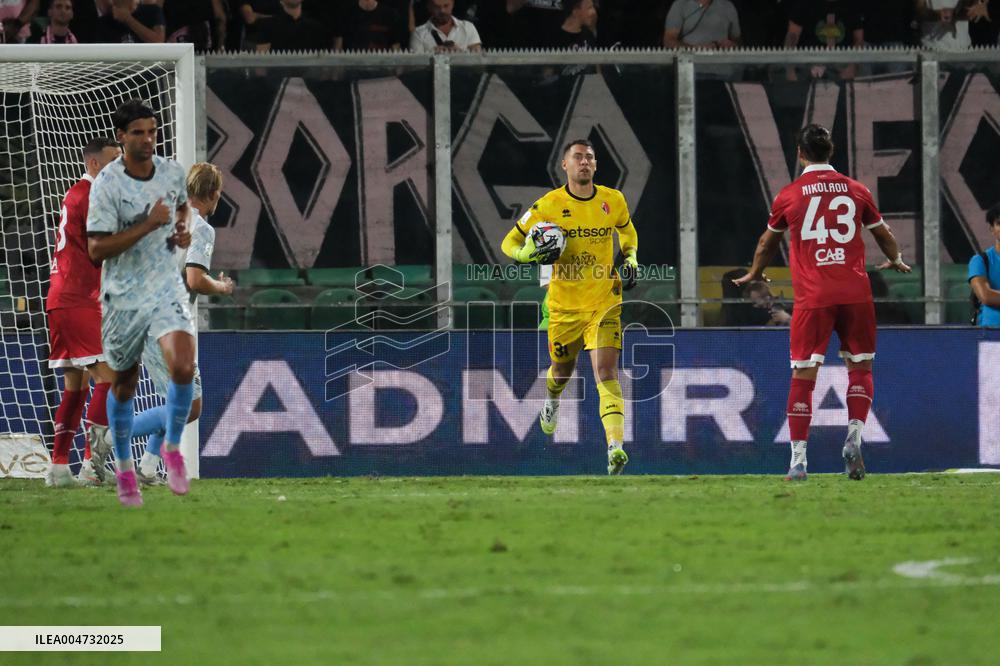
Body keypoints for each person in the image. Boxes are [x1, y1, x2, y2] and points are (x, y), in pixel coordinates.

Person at [733, 124, 911, 482]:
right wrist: (895, 258)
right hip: (855, 294)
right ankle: (854, 437)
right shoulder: (856, 190)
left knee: (803, 375)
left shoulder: (790, 195)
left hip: (814, 298)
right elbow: (883, 233)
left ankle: (798, 460)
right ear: (831, 152)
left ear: (800, 154)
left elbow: (766, 243)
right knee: (860, 369)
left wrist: (755, 272)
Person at [500, 139, 639, 475]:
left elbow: (627, 232)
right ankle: (551, 399)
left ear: (595, 164)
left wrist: (631, 256)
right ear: (565, 165)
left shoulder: (613, 200)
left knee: (606, 372)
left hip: (604, 300)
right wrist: (526, 255)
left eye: (590, 157)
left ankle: (615, 448)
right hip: (564, 307)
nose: (584, 162)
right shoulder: (549, 204)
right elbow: (509, 242)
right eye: (578, 157)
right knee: (561, 371)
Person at [86, 99, 195, 507]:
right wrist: (148, 223)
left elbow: (182, 205)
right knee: (126, 383)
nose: (148, 139)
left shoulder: (171, 172)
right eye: (138, 132)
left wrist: (181, 230)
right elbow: (96, 250)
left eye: (151, 131)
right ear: (121, 136)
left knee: (184, 366)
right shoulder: (108, 185)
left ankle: (171, 447)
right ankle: (126, 468)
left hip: (165, 288)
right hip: (124, 296)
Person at [133, 163, 234, 485]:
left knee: (174, 401)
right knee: (190, 407)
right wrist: (219, 287)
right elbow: (194, 278)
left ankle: (148, 467)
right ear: (214, 193)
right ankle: (111, 432)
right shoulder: (200, 227)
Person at [44, 137, 121, 488]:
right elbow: (101, 249)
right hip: (77, 298)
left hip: (63, 297)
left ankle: (59, 468)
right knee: (110, 378)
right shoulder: (90, 195)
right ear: (94, 165)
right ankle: (92, 466)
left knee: (77, 384)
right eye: (114, 162)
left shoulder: (78, 194)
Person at [969, 204, 1000, 327]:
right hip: (990, 335)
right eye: (999, 223)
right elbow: (986, 296)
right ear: (991, 229)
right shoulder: (980, 261)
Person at [663, 0, 741, 49]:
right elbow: (668, 41)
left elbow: (738, 40)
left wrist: (733, 45)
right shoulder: (680, 5)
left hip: (724, 70)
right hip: (691, 68)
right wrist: (697, 49)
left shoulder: (728, 6)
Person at [255, 0, 328, 52]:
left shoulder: (315, 27)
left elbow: (322, 63)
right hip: (278, 73)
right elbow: (260, 66)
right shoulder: (267, 25)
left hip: (308, 73)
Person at [410, 0, 481, 52]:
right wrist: (433, 54)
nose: (442, 11)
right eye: (437, 7)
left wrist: (459, 53)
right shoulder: (418, 34)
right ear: (429, 7)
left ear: (452, 4)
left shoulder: (468, 27)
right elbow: (415, 67)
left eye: (446, 5)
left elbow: (479, 64)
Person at [333, 0, 405, 51]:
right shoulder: (346, 13)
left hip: (382, 67)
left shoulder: (390, 14)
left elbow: (395, 48)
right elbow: (337, 48)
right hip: (353, 67)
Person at [94, 0, 165, 43]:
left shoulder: (153, 11)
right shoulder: (103, 22)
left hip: (150, 66)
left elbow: (158, 41)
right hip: (118, 66)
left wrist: (128, 19)